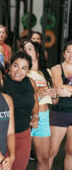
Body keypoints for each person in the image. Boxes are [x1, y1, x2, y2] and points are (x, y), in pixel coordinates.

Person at [20, 39, 58, 169]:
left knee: (44, 159)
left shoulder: (47, 72)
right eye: (24, 49)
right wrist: (38, 94)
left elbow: (55, 101)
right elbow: (18, 98)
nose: (27, 50)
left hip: (44, 116)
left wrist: (54, 95)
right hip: (27, 118)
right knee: (20, 159)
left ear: (37, 53)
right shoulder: (22, 72)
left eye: (30, 48)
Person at [2, 51, 39, 170]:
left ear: (28, 71)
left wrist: (35, 116)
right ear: (10, 65)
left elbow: (35, 102)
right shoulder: (1, 82)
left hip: (24, 134)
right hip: (3, 136)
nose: (18, 71)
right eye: (16, 66)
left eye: (24, 68)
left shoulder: (31, 83)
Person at [49, 41, 72, 170]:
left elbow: (63, 90)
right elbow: (58, 87)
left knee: (71, 151)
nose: (71, 54)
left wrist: (68, 93)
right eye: (68, 51)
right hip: (59, 113)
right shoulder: (56, 69)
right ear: (64, 53)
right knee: (51, 151)